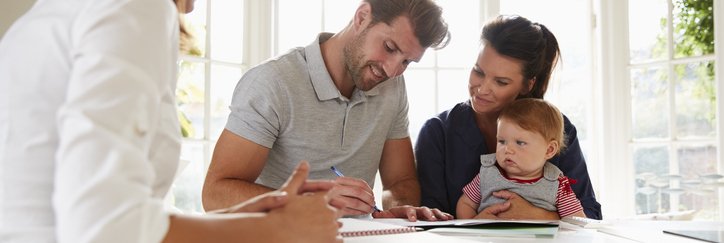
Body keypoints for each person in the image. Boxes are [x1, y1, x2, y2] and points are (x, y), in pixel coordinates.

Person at [0, 0, 340, 242]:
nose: (192, 7)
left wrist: (239, 218)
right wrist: (278, 232)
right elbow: (104, 230)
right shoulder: (134, 7)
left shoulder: (47, 15)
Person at [202, 0, 453, 221]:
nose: (392, 70)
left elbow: (400, 182)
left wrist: (398, 209)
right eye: (389, 47)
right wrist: (309, 202)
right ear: (362, 17)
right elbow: (215, 194)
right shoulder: (273, 82)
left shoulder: (392, 87)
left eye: (407, 62)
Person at [416, 14, 602, 219]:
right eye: (478, 72)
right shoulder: (437, 132)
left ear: (527, 85)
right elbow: (430, 221)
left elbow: (590, 216)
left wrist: (536, 215)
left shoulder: (558, 129)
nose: (482, 89)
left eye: (501, 82)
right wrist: (475, 226)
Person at [456, 99, 587, 219]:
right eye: (502, 141)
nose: (507, 149)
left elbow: (576, 222)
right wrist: (473, 223)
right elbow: (466, 203)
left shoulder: (557, 184)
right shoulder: (487, 173)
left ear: (549, 150)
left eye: (520, 143)